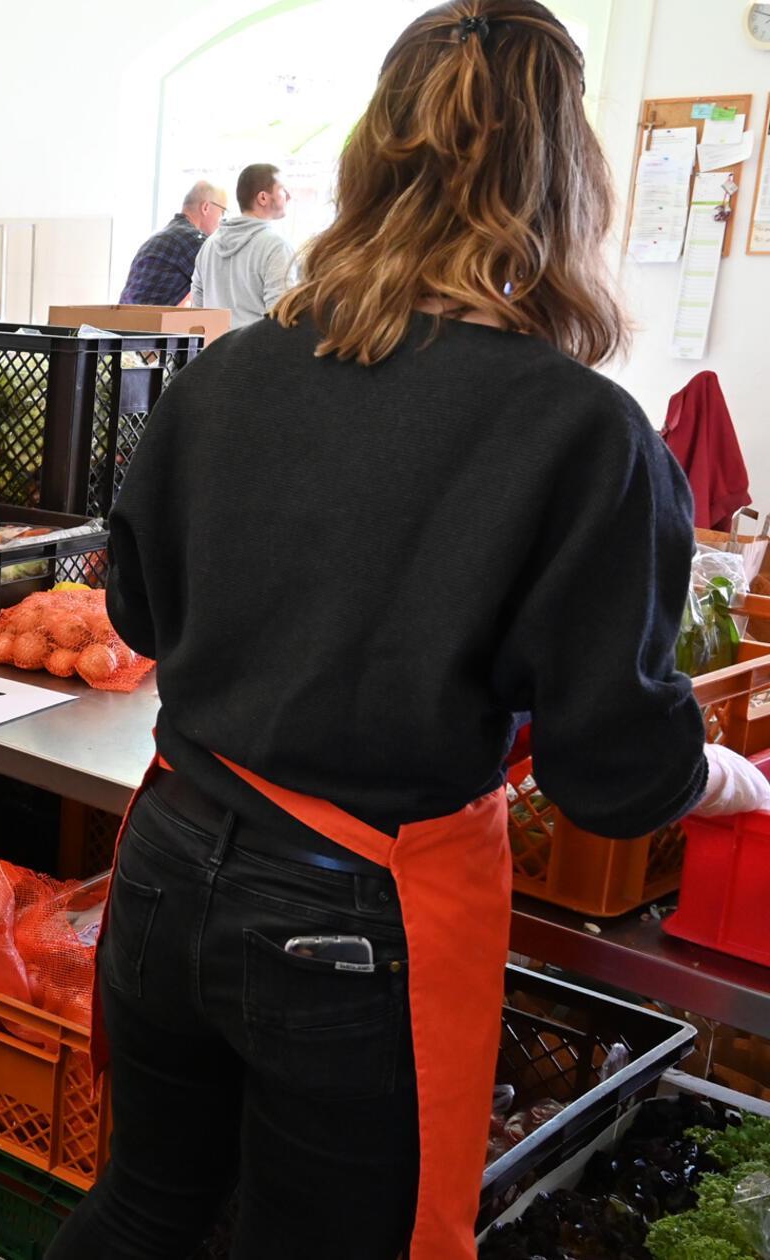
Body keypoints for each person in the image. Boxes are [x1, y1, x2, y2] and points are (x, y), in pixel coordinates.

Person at [45, 4, 770, 1258]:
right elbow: (611, 776)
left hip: (166, 861)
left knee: (146, 1208)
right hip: (346, 922)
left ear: (369, 160)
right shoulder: (579, 432)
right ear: (568, 184)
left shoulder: (226, 373)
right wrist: (721, 774)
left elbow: (138, 614)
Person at [189, 162, 294, 329]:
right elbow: (280, 316)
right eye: (282, 189)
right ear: (263, 198)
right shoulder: (276, 246)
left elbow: (197, 307)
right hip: (255, 352)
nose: (289, 196)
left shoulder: (209, 245)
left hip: (214, 350)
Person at [119, 181, 226, 306]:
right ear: (205, 207)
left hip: (123, 321)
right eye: (222, 212)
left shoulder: (160, 236)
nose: (222, 221)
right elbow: (226, 286)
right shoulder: (193, 240)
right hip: (150, 323)